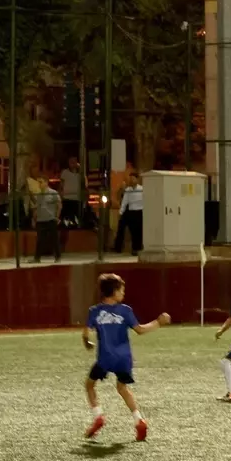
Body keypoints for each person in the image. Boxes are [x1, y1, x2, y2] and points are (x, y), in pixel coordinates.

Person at [82, 273, 170, 442]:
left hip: (105, 358)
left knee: (89, 385)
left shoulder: (94, 311)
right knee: (122, 388)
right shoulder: (126, 311)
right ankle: (139, 420)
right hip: (124, 358)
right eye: (121, 290)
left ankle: (98, 416)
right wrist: (158, 322)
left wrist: (87, 343)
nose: (123, 293)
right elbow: (140, 330)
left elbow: (85, 334)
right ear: (114, 291)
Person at [113, 172, 144, 255]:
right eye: (131, 178)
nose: (131, 180)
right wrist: (121, 212)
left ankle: (137, 249)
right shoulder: (128, 190)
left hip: (139, 211)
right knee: (132, 230)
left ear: (137, 179)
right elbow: (124, 202)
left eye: (133, 178)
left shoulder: (142, 189)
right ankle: (118, 247)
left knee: (138, 232)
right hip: (131, 211)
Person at [33, 179, 62, 263]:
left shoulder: (53, 193)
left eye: (41, 182)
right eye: (38, 182)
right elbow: (36, 208)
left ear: (46, 182)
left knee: (54, 239)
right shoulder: (38, 195)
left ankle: (58, 257)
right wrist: (34, 219)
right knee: (40, 240)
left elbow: (59, 205)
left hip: (51, 219)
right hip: (41, 220)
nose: (39, 184)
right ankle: (37, 258)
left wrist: (57, 216)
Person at [60, 157, 85, 228]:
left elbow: (84, 185)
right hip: (67, 199)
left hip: (77, 199)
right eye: (71, 162)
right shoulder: (65, 172)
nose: (73, 164)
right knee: (67, 212)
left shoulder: (80, 174)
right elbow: (61, 185)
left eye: (74, 162)